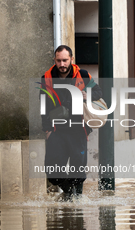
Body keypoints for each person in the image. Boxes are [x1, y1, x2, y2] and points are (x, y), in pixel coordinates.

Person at [40, 45, 102, 201]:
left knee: (78, 172)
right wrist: (47, 130)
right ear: (54, 60)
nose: (62, 64)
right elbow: (43, 106)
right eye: (59, 60)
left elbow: (99, 92)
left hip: (78, 131)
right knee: (52, 171)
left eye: (65, 60)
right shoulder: (46, 78)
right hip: (57, 131)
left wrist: (85, 94)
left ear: (72, 59)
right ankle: (70, 195)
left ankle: (77, 204)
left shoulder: (83, 75)